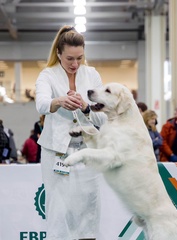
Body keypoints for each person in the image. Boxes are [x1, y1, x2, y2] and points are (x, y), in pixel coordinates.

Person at [35, 25, 107, 240]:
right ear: (58, 54)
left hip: (88, 152)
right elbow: (41, 105)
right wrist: (58, 101)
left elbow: (103, 117)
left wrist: (86, 107)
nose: (75, 64)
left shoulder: (92, 74)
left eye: (80, 58)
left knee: (89, 205)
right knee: (58, 208)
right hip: (56, 152)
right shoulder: (47, 75)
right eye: (69, 59)